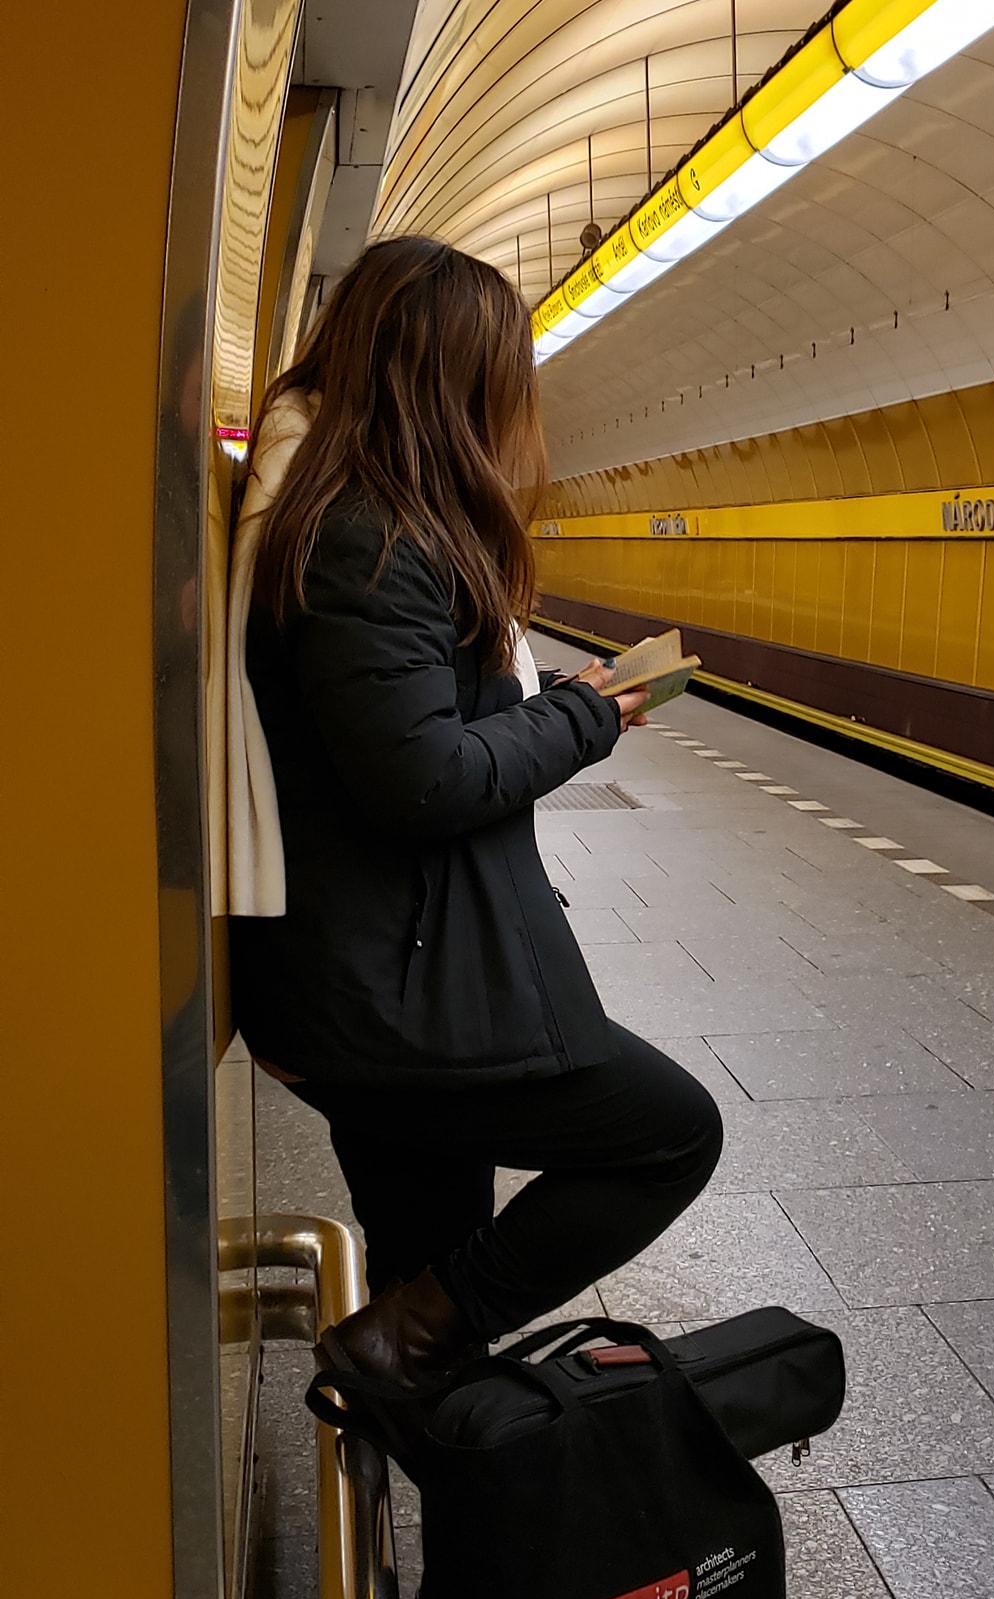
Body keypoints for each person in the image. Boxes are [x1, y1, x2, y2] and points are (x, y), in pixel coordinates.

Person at [230, 236, 723, 1421]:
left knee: (426, 1276)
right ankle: (407, 1335)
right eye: (508, 378)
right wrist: (584, 715)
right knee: (668, 1134)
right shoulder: (368, 540)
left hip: (385, 978)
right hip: (400, 1006)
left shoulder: (364, 521)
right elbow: (426, 778)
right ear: (451, 382)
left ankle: (459, 1552)